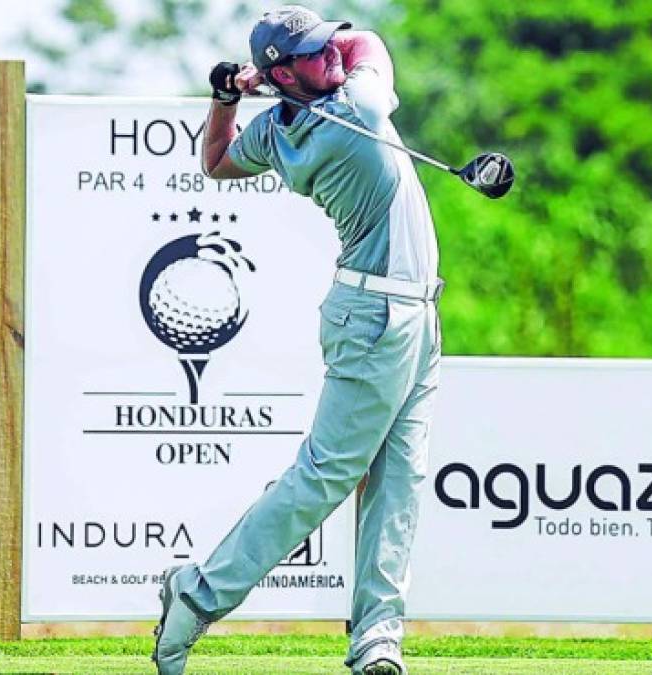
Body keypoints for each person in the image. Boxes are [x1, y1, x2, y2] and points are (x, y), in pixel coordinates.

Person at [151, 6, 443, 675]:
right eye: (315, 52)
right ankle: (196, 593)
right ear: (287, 69)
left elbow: (217, 160)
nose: (334, 54)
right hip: (377, 318)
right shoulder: (361, 108)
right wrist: (266, 74)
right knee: (326, 475)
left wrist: (228, 94)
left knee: (399, 477)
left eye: (327, 44)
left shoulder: (277, 130)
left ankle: (377, 637)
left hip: (408, 312)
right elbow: (367, 39)